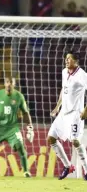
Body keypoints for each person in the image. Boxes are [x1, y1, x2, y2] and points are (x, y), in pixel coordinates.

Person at [48, 51, 87, 180]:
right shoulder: (65, 72)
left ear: (76, 61)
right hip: (63, 113)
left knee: (75, 141)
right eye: (66, 58)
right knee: (51, 138)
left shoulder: (82, 75)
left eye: (69, 58)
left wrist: (85, 110)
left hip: (76, 113)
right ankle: (68, 166)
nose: (66, 60)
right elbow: (63, 89)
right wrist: (57, 107)